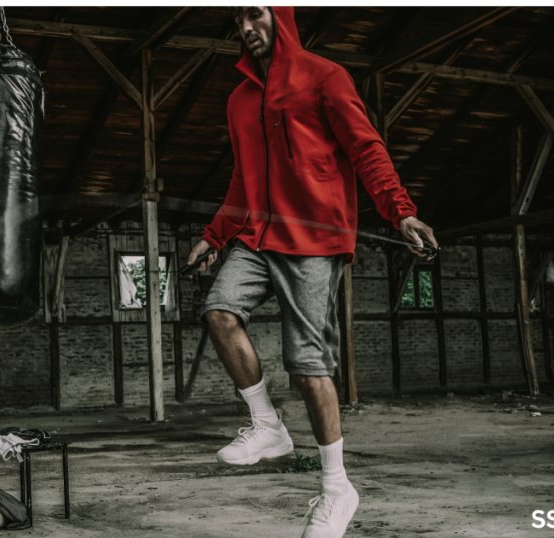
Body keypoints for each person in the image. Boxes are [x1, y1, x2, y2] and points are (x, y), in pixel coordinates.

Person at [186, 7, 438, 537]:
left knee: (306, 365)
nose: (245, 29)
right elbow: (242, 177)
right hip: (258, 235)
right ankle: (267, 426)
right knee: (218, 311)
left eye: (254, 14)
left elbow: (365, 147)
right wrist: (214, 236)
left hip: (315, 239)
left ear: (280, 14)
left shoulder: (325, 76)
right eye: (237, 22)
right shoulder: (240, 99)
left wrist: (400, 210)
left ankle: (336, 487)